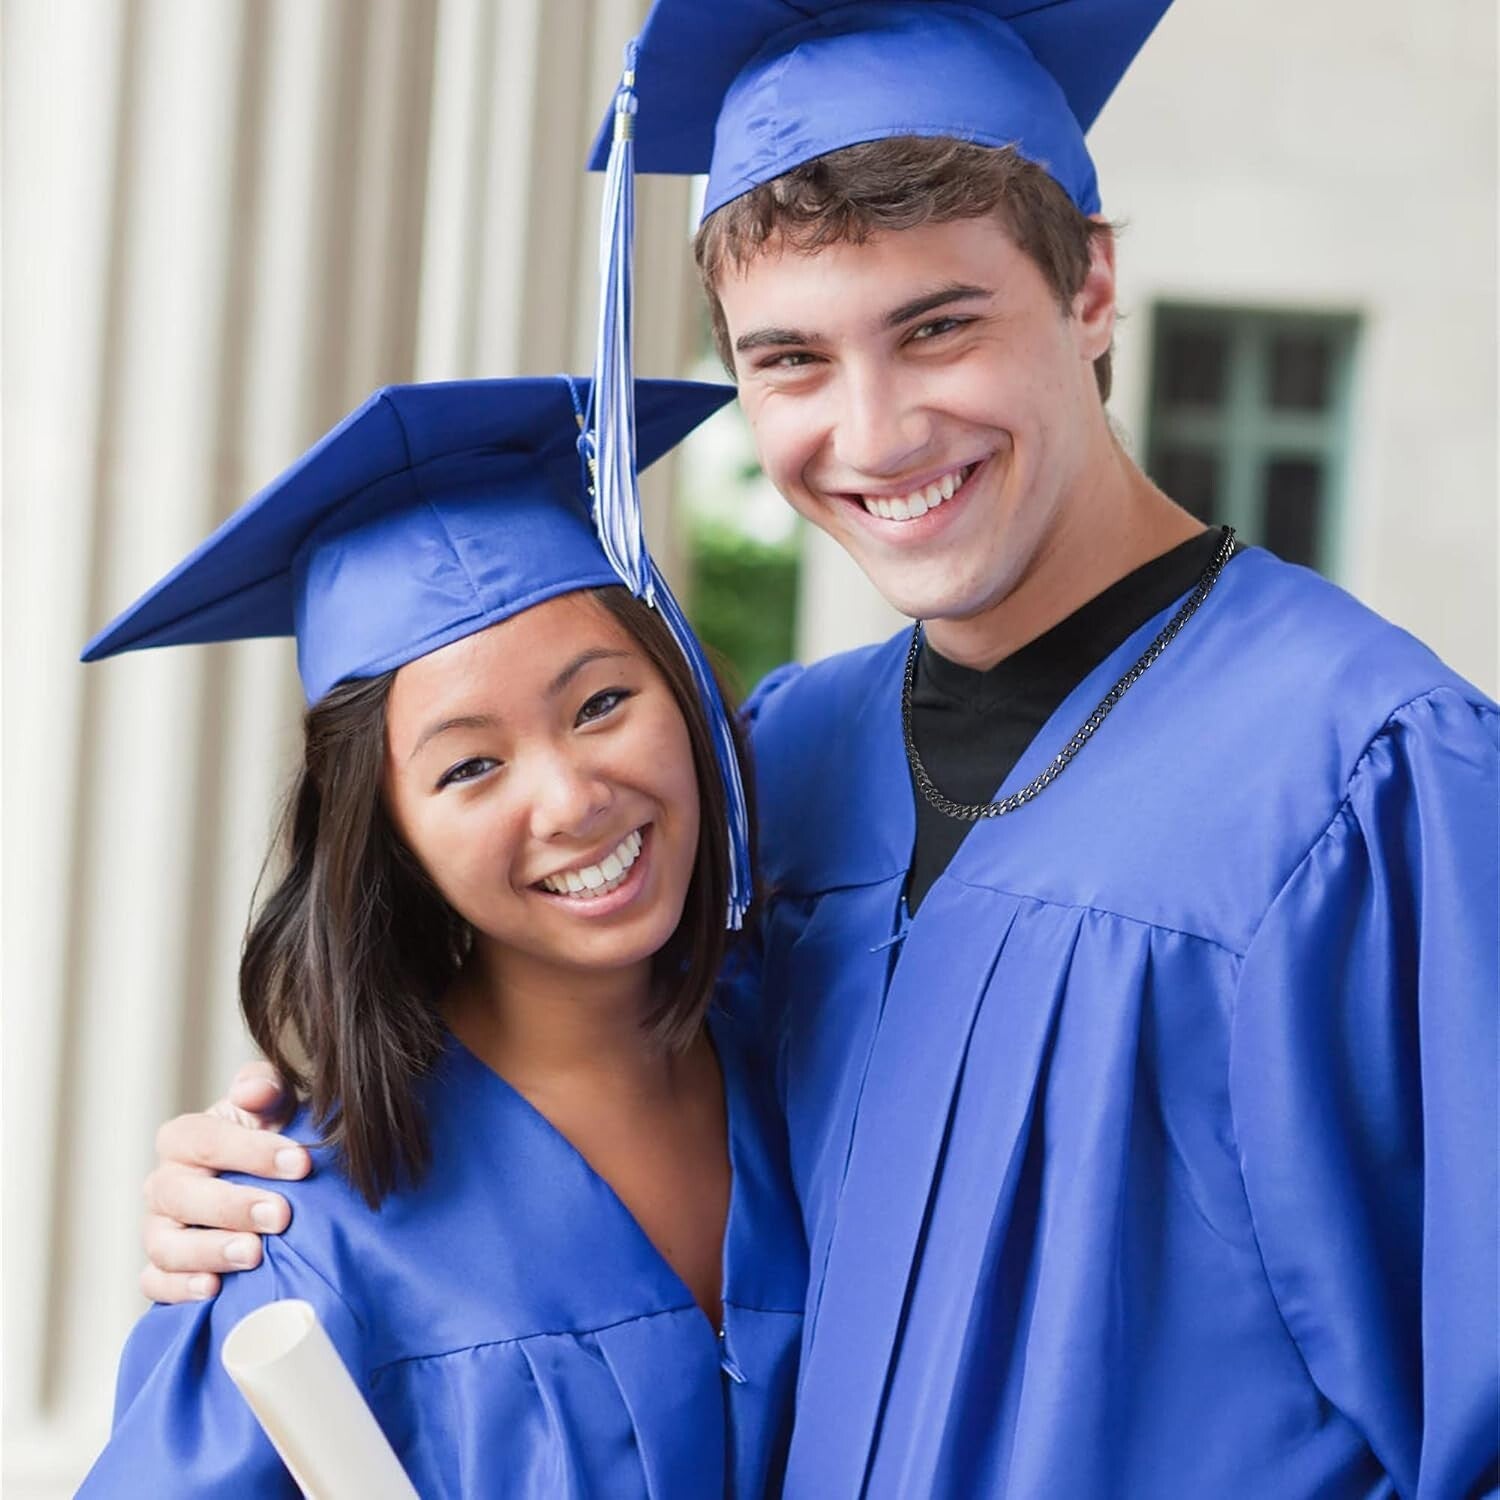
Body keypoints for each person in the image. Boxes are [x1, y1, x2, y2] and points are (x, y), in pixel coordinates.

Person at [141, 4, 1499, 1496]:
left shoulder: (1377, 780)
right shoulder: (783, 766)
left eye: (939, 326)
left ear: (1092, 284)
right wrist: (260, 1172)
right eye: (789, 358)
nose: (876, 432)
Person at [78, 376, 805, 1498]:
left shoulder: (823, 1066)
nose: (570, 801)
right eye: (470, 766)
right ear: (390, 836)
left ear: (687, 692)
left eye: (602, 702)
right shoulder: (303, 1240)